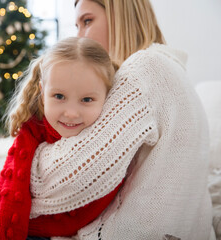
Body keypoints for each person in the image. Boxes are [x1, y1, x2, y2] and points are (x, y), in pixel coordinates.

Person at [27, 0, 214, 239]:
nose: (80, 37)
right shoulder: (170, 67)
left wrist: (29, 155)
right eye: (76, 26)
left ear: (120, 15)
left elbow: (70, 176)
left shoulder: (143, 69)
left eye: (87, 21)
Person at [0, 37, 121, 240]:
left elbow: (85, 214)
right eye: (59, 96)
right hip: (30, 207)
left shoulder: (109, 136)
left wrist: (23, 226)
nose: (71, 113)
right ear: (42, 92)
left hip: (50, 225)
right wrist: (2, 220)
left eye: (87, 99)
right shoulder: (34, 127)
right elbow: (12, 181)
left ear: (108, 96)